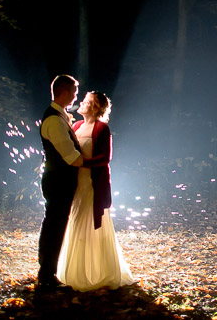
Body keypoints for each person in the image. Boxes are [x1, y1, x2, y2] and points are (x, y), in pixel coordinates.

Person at [56, 90, 134, 291]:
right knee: (75, 221)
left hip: (92, 185)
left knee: (89, 222)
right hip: (76, 184)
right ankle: (73, 269)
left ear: (96, 108)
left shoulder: (102, 128)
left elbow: (105, 158)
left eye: (87, 101)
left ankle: (97, 271)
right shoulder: (76, 126)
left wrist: (84, 163)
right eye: (83, 100)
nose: (81, 103)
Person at [37, 75, 84, 290]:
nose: (76, 97)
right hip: (58, 182)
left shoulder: (60, 116)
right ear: (63, 92)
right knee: (54, 227)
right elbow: (71, 156)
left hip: (58, 180)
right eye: (74, 93)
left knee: (53, 225)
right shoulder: (54, 120)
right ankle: (47, 275)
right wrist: (92, 161)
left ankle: (46, 271)